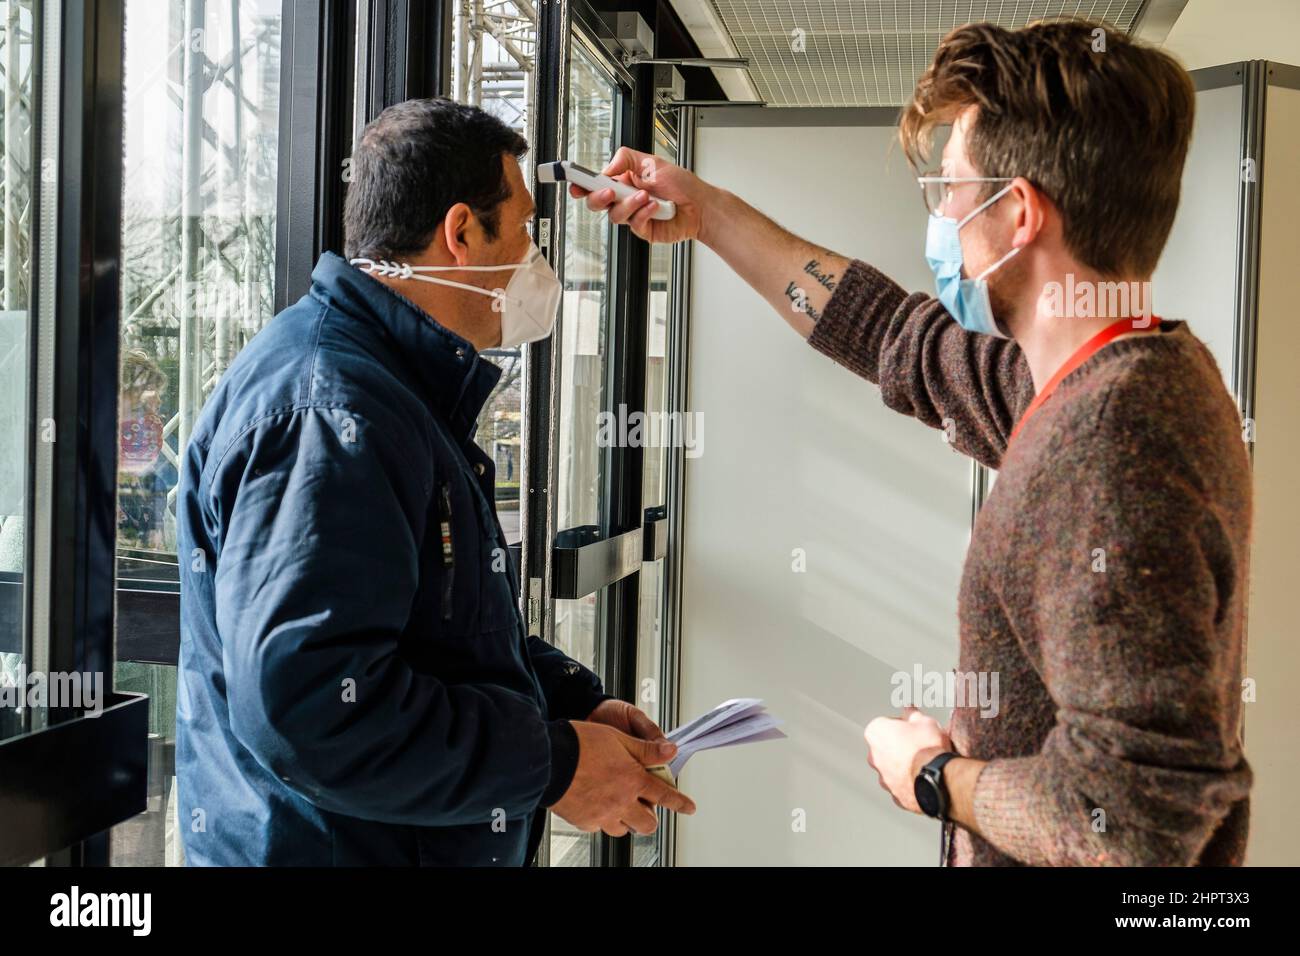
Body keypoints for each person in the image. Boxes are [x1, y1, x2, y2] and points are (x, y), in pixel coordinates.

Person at [572, 20, 1252, 866]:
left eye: (950, 190)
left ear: (1020, 215)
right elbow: (889, 332)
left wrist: (933, 777)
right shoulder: (1105, 380)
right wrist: (705, 215)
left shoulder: (1111, 441)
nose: (940, 215)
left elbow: (1134, 815)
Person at [176, 97, 694, 866]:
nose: (533, 259)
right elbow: (315, 711)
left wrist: (569, 708)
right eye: (522, 229)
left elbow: (431, 635)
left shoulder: (390, 391)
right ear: (461, 233)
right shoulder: (333, 412)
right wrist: (550, 765)